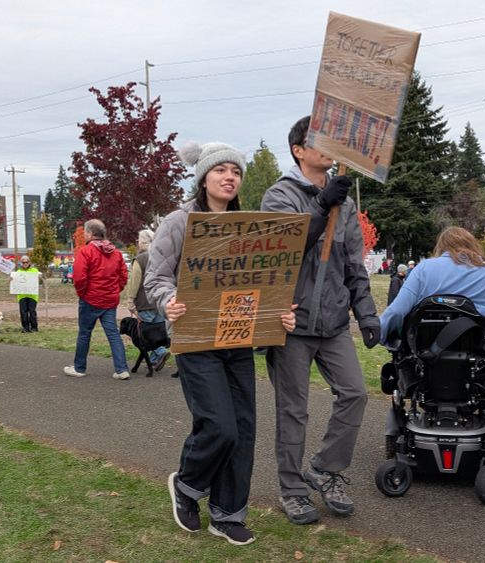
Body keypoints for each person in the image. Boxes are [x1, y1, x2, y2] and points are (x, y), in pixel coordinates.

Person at [146, 140, 297, 546]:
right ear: (203, 177)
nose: (229, 177)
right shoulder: (179, 222)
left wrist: (280, 312)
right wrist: (168, 302)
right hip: (196, 337)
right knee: (219, 426)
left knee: (244, 430)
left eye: (236, 172)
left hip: (239, 338)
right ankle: (188, 485)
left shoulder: (250, 226)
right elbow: (156, 277)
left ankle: (228, 514)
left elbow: (265, 281)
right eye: (221, 170)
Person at [260, 116, 380, 525]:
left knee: (355, 394)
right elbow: (284, 249)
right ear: (298, 150)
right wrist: (320, 203)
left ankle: (326, 469)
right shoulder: (279, 195)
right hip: (290, 323)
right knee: (293, 410)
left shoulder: (345, 204)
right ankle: (292, 489)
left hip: (332, 323)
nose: (331, 146)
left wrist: (366, 314)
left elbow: (354, 266)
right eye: (320, 140)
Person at [380, 227, 485, 348]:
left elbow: (398, 310)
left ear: (441, 247)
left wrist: (380, 333)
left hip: (425, 358)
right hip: (479, 358)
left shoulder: (423, 270)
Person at [63, 219, 129, 380]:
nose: (84, 235)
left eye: (85, 232)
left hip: (90, 300)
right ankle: (122, 369)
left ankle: (79, 368)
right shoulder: (116, 253)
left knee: (85, 333)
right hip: (110, 300)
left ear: (90, 234)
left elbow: (79, 278)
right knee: (113, 334)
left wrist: (83, 294)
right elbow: (123, 276)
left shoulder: (86, 252)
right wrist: (115, 290)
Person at [126, 229, 170, 370]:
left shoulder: (141, 259)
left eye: (138, 241)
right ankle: (154, 359)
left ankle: (160, 352)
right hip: (160, 300)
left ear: (143, 242)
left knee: (145, 335)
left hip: (145, 303)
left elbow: (135, 282)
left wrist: (130, 300)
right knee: (158, 332)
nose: (137, 243)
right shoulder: (162, 256)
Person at [12, 255, 43, 333]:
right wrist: (11, 279)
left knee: (32, 311)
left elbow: (41, 280)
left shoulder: (35, 271)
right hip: (22, 295)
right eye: (23, 262)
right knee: (23, 312)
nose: (25, 263)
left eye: (27, 262)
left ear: (29, 262)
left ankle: (34, 328)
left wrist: (40, 277)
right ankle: (25, 328)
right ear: (21, 263)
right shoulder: (18, 272)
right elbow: (13, 282)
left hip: (32, 295)